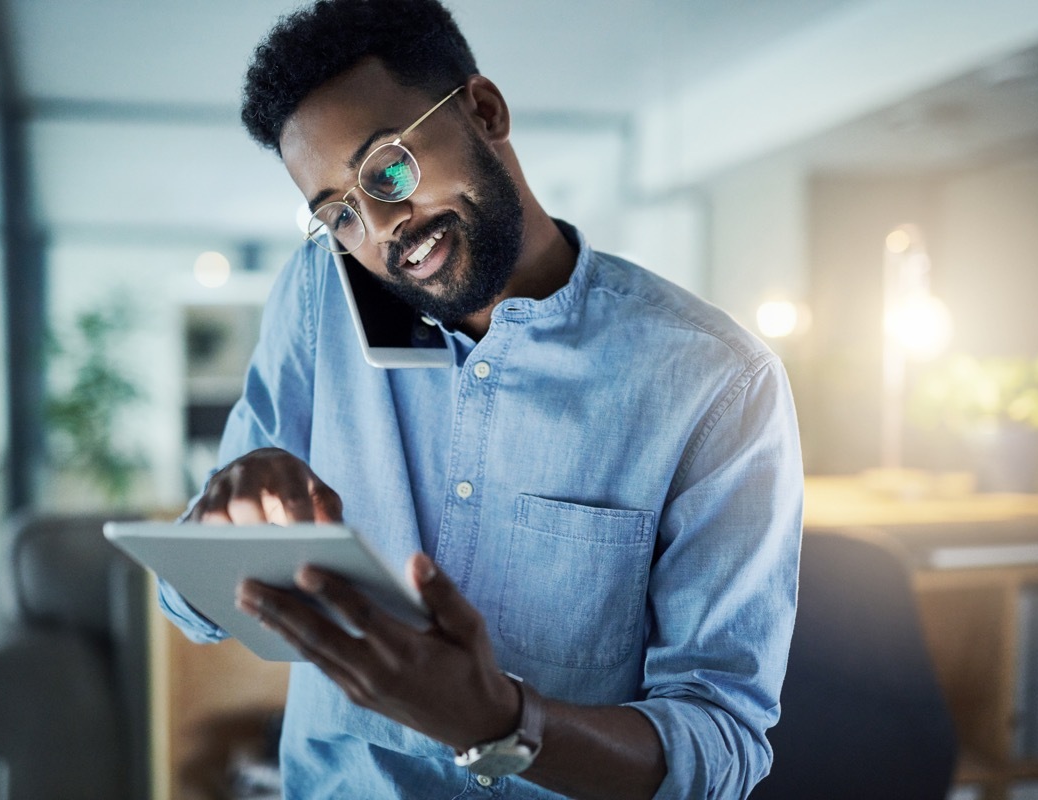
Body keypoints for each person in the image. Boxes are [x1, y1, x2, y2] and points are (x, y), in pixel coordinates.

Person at [159, 1, 803, 797]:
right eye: (340, 214)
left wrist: (500, 722)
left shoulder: (717, 383)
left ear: (486, 112)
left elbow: (719, 748)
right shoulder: (317, 297)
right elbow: (192, 603)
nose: (383, 229)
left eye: (387, 170)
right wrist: (222, 522)